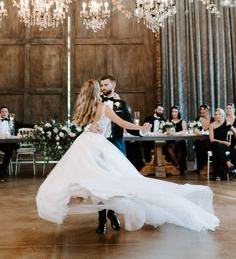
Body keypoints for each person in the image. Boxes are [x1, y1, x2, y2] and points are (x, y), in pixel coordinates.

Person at [36, 79, 219, 233]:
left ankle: (108, 215)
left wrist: (139, 127)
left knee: (105, 183)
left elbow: (120, 122)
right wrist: (89, 127)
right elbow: (104, 123)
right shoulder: (97, 106)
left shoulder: (94, 106)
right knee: (98, 184)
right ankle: (104, 218)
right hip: (91, 147)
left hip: (91, 146)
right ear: (96, 91)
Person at [98, 75, 145, 233]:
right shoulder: (96, 103)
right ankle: (101, 220)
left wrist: (141, 131)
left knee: (117, 183)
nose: (103, 87)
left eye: (106, 85)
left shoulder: (121, 104)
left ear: (113, 86)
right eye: (101, 85)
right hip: (98, 145)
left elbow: (129, 126)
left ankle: (112, 213)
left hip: (117, 145)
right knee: (99, 183)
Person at [0, 105, 34, 181]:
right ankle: (2, 169)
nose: (4, 113)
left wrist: (34, 126)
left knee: (9, 150)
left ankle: (1, 170)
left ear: (8, 113)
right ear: (0, 113)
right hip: (1, 144)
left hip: (9, 143)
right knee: (10, 150)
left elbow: (23, 124)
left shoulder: (12, 121)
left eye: (6, 111)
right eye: (2, 112)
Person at [163, 106, 187, 175]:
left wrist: (175, 134)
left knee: (181, 146)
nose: (174, 113)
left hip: (180, 140)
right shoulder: (168, 122)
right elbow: (165, 131)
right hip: (171, 140)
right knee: (169, 147)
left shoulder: (183, 121)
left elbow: (184, 132)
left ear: (178, 112)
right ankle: (177, 164)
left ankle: (180, 166)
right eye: (172, 112)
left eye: (175, 111)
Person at [209, 108, 231, 181]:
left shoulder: (227, 123)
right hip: (215, 144)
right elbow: (211, 140)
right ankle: (227, 162)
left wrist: (231, 143)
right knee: (216, 144)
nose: (217, 116)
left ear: (223, 115)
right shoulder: (211, 125)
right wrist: (224, 142)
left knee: (217, 149)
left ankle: (217, 175)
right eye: (216, 114)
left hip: (223, 147)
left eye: (219, 114)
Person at [194, 104, 214, 173]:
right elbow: (195, 129)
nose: (202, 111)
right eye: (201, 109)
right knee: (197, 143)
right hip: (200, 139)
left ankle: (209, 166)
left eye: (204, 109)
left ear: (208, 111)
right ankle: (201, 167)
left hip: (210, 139)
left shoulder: (213, 119)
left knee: (207, 143)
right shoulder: (197, 119)